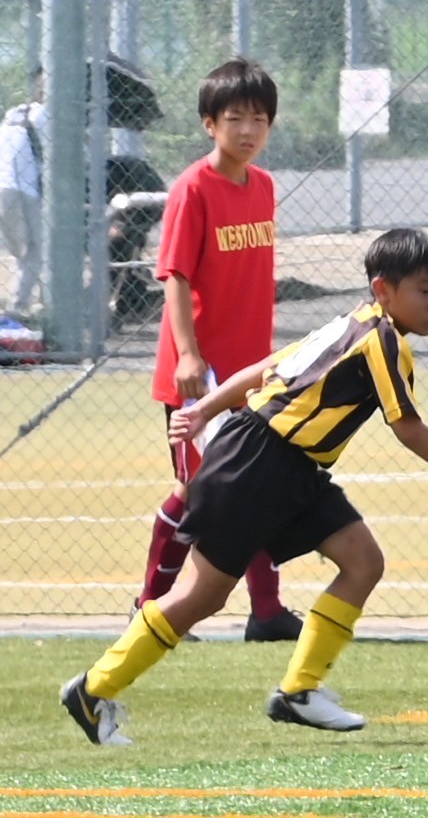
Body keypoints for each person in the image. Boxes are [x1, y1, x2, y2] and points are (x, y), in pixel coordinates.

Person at [60, 228, 428, 746]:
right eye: (424, 291)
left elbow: (266, 368)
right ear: (383, 290)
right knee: (201, 596)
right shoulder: (381, 339)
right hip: (258, 464)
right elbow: (408, 428)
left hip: (293, 467)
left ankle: (299, 691)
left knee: (363, 561)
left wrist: (205, 409)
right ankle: (93, 689)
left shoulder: (353, 324)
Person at [133, 58, 301, 642]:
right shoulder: (193, 188)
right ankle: (150, 608)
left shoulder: (265, 187)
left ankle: (267, 612)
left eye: (259, 119)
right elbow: (175, 276)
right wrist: (188, 354)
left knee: (254, 485)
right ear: (210, 123)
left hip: (250, 374)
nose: (248, 130)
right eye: (235, 118)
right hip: (200, 378)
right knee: (197, 492)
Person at [0, 69, 46, 319]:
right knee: (35, 251)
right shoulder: (44, 115)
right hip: (24, 190)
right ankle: (19, 307)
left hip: (4, 185)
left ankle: (23, 303)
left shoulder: (15, 113)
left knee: (23, 252)